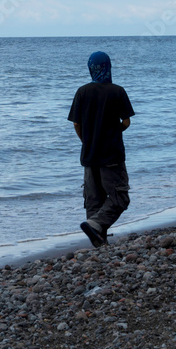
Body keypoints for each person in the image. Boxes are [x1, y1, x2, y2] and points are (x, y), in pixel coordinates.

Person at [67, 51, 135, 247]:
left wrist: (86, 141)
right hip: (112, 154)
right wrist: (115, 130)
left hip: (90, 154)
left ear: (91, 68)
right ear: (108, 67)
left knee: (93, 200)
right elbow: (126, 121)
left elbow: (76, 124)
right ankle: (96, 226)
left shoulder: (82, 92)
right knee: (119, 198)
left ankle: (99, 240)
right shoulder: (117, 91)